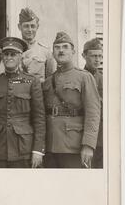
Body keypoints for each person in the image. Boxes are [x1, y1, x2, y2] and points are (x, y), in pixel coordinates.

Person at [0, 37, 46, 168]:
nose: (9, 57)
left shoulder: (31, 82)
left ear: (20, 57)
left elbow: (39, 118)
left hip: (23, 147)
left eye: (13, 54)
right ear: (2, 57)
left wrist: (38, 149)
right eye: (6, 54)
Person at [43, 32, 101, 168]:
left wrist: (88, 145)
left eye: (65, 47)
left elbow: (93, 113)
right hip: (50, 145)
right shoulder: (47, 81)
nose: (61, 50)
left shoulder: (84, 77)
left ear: (73, 51)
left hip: (73, 145)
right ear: (53, 53)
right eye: (57, 47)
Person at [0, 8, 57, 83]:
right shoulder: (10, 49)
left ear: (37, 27)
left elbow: (50, 79)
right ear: (19, 27)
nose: (30, 30)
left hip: (39, 92)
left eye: (32, 26)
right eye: (26, 26)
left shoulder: (45, 52)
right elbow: (1, 76)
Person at [82, 38, 103, 168]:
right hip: (84, 134)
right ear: (84, 56)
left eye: (100, 56)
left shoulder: (105, 79)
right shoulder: (79, 77)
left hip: (102, 137)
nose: (97, 59)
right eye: (93, 56)